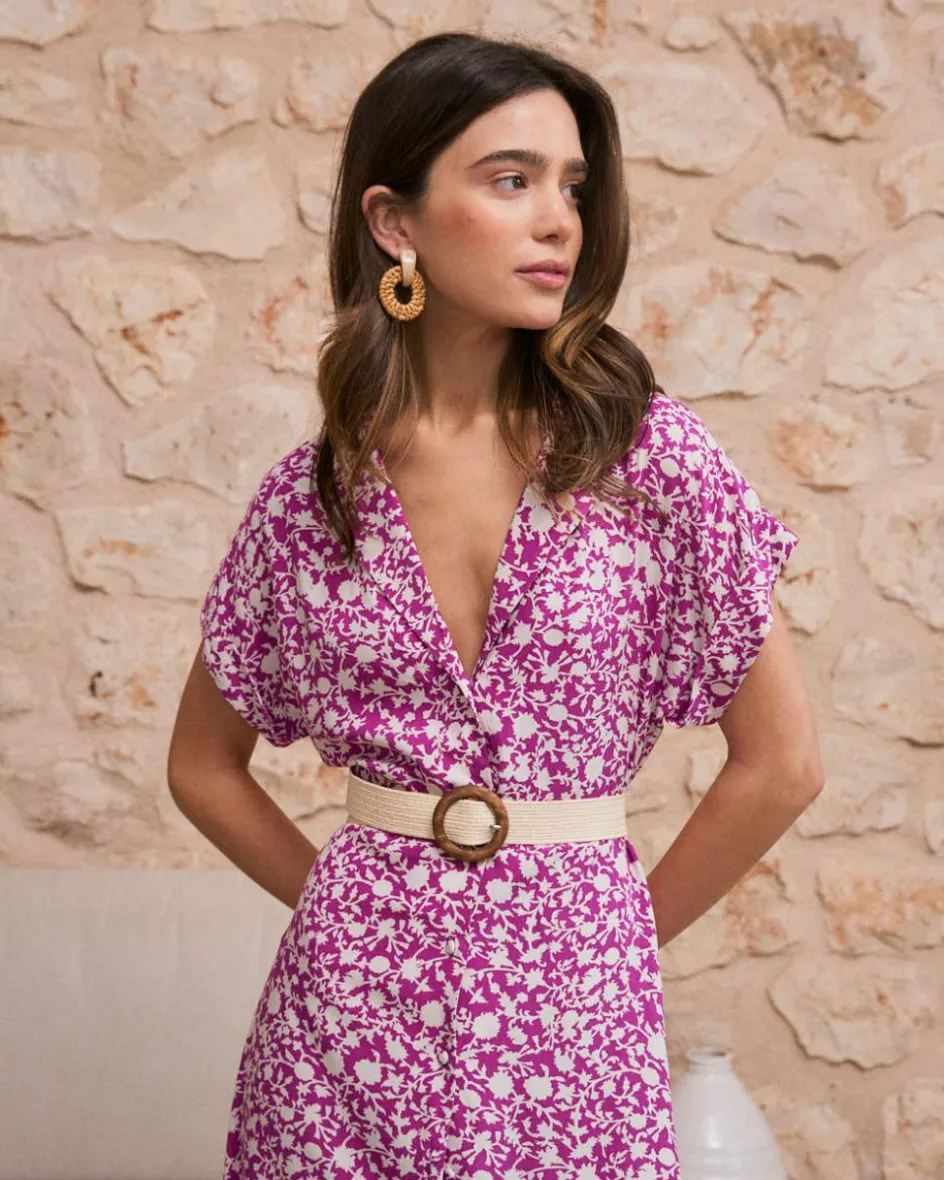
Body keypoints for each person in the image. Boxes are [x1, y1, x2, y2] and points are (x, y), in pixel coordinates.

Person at [167, 30, 824, 1180]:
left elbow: (782, 764)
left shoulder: (646, 460)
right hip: (339, 1036)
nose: (559, 219)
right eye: (510, 179)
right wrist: (340, 906)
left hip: (575, 1025)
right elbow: (200, 765)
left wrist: (611, 939)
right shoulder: (312, 497)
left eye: (571, 186)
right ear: (395, 222)